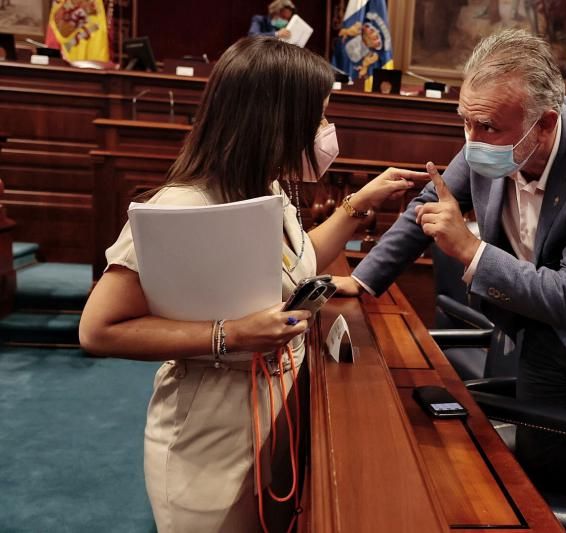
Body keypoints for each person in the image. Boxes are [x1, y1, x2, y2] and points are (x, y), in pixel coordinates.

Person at [337, 29, 566, 499]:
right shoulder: (489, 139)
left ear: (546, 124)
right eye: (464, 123)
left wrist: (470, 251)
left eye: (487, 128)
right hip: (548, 324)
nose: (472, 143)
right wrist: (364, 280)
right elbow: (431, 205)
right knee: (538, 471)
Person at [79, 37, 425, 532]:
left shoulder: (267, 185)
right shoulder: (183, 207)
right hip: (213, 443)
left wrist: (358, 205)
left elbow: (297, 260)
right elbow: (99, 330)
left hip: (274, 417)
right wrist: (231, 335)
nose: (327, 132)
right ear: (277, 120)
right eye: (320, 117)